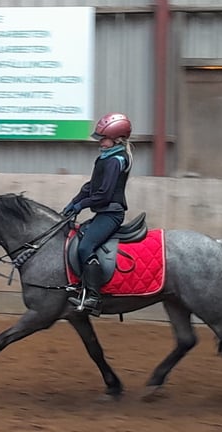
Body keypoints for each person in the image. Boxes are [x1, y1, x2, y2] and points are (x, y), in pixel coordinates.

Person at [62, 112, 134, 313]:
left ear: (116, 138)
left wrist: (81, 205)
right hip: (103, 212)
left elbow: (103, 194)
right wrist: (73, 202)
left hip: (111, 214)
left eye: (103, 138)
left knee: (85, 247)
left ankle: (94, 297)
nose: (100, 142)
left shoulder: (115, 160)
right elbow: (91, 187)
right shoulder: (104, 159)